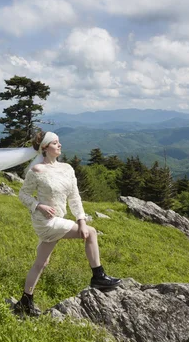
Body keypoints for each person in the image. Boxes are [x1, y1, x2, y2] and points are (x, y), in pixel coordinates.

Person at [14, 131, 121, 317]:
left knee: (42, 262)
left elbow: (74, 197)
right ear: (45, 148)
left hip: (59, 219)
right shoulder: (37, 171)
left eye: (59, 142)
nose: (60, 145)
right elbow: (22, 195)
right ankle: (98, 276)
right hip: (45, 221)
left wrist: (81, 220)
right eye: (55, 143)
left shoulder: (67, 168)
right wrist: (38, 205)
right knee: (92, 232)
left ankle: (25, 301)